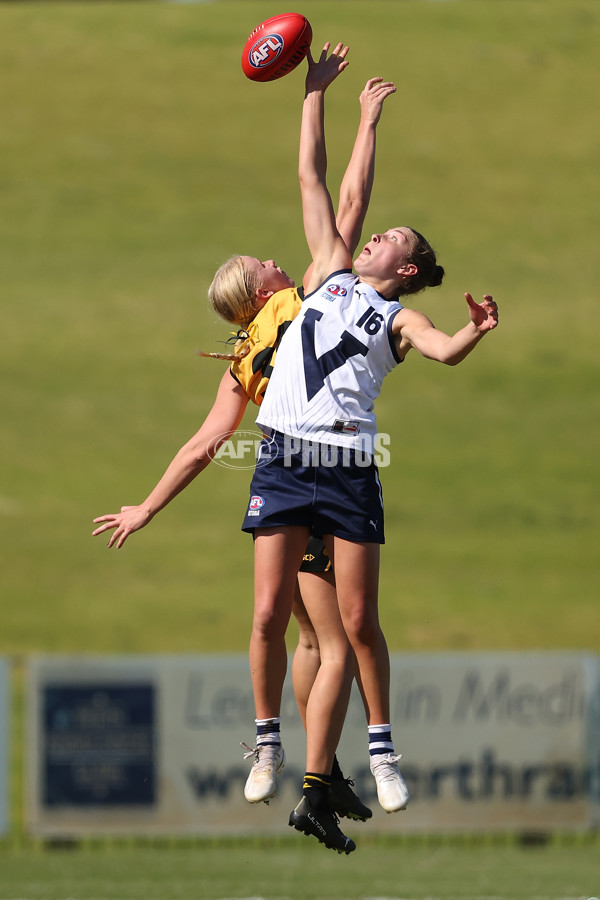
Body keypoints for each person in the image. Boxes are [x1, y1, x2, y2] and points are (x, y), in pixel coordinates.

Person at [92, 74, 397, 831]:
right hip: (325, 474)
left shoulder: (246, 357)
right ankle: (318, 774)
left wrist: (148, 505)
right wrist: (359, 118)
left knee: (301, 633)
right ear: (257, 291)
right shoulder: (302, 301)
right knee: (330, 641)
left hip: (287, 481)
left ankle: (291, 761)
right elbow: (343, 199)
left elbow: (204, 445)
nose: (275, 259)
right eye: (264, 261)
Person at [237, 42, 499, 852]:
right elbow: (329, 183)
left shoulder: (398, 318)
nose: (374, 233)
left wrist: (475, 332)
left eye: (391, 237)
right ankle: (268, 740)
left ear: (408, 265)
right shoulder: (329, 273)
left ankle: (380, 754)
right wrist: (331, 102)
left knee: (356, 619)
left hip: (349, 467)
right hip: (286, 454)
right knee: (268, 610)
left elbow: (444, 348)